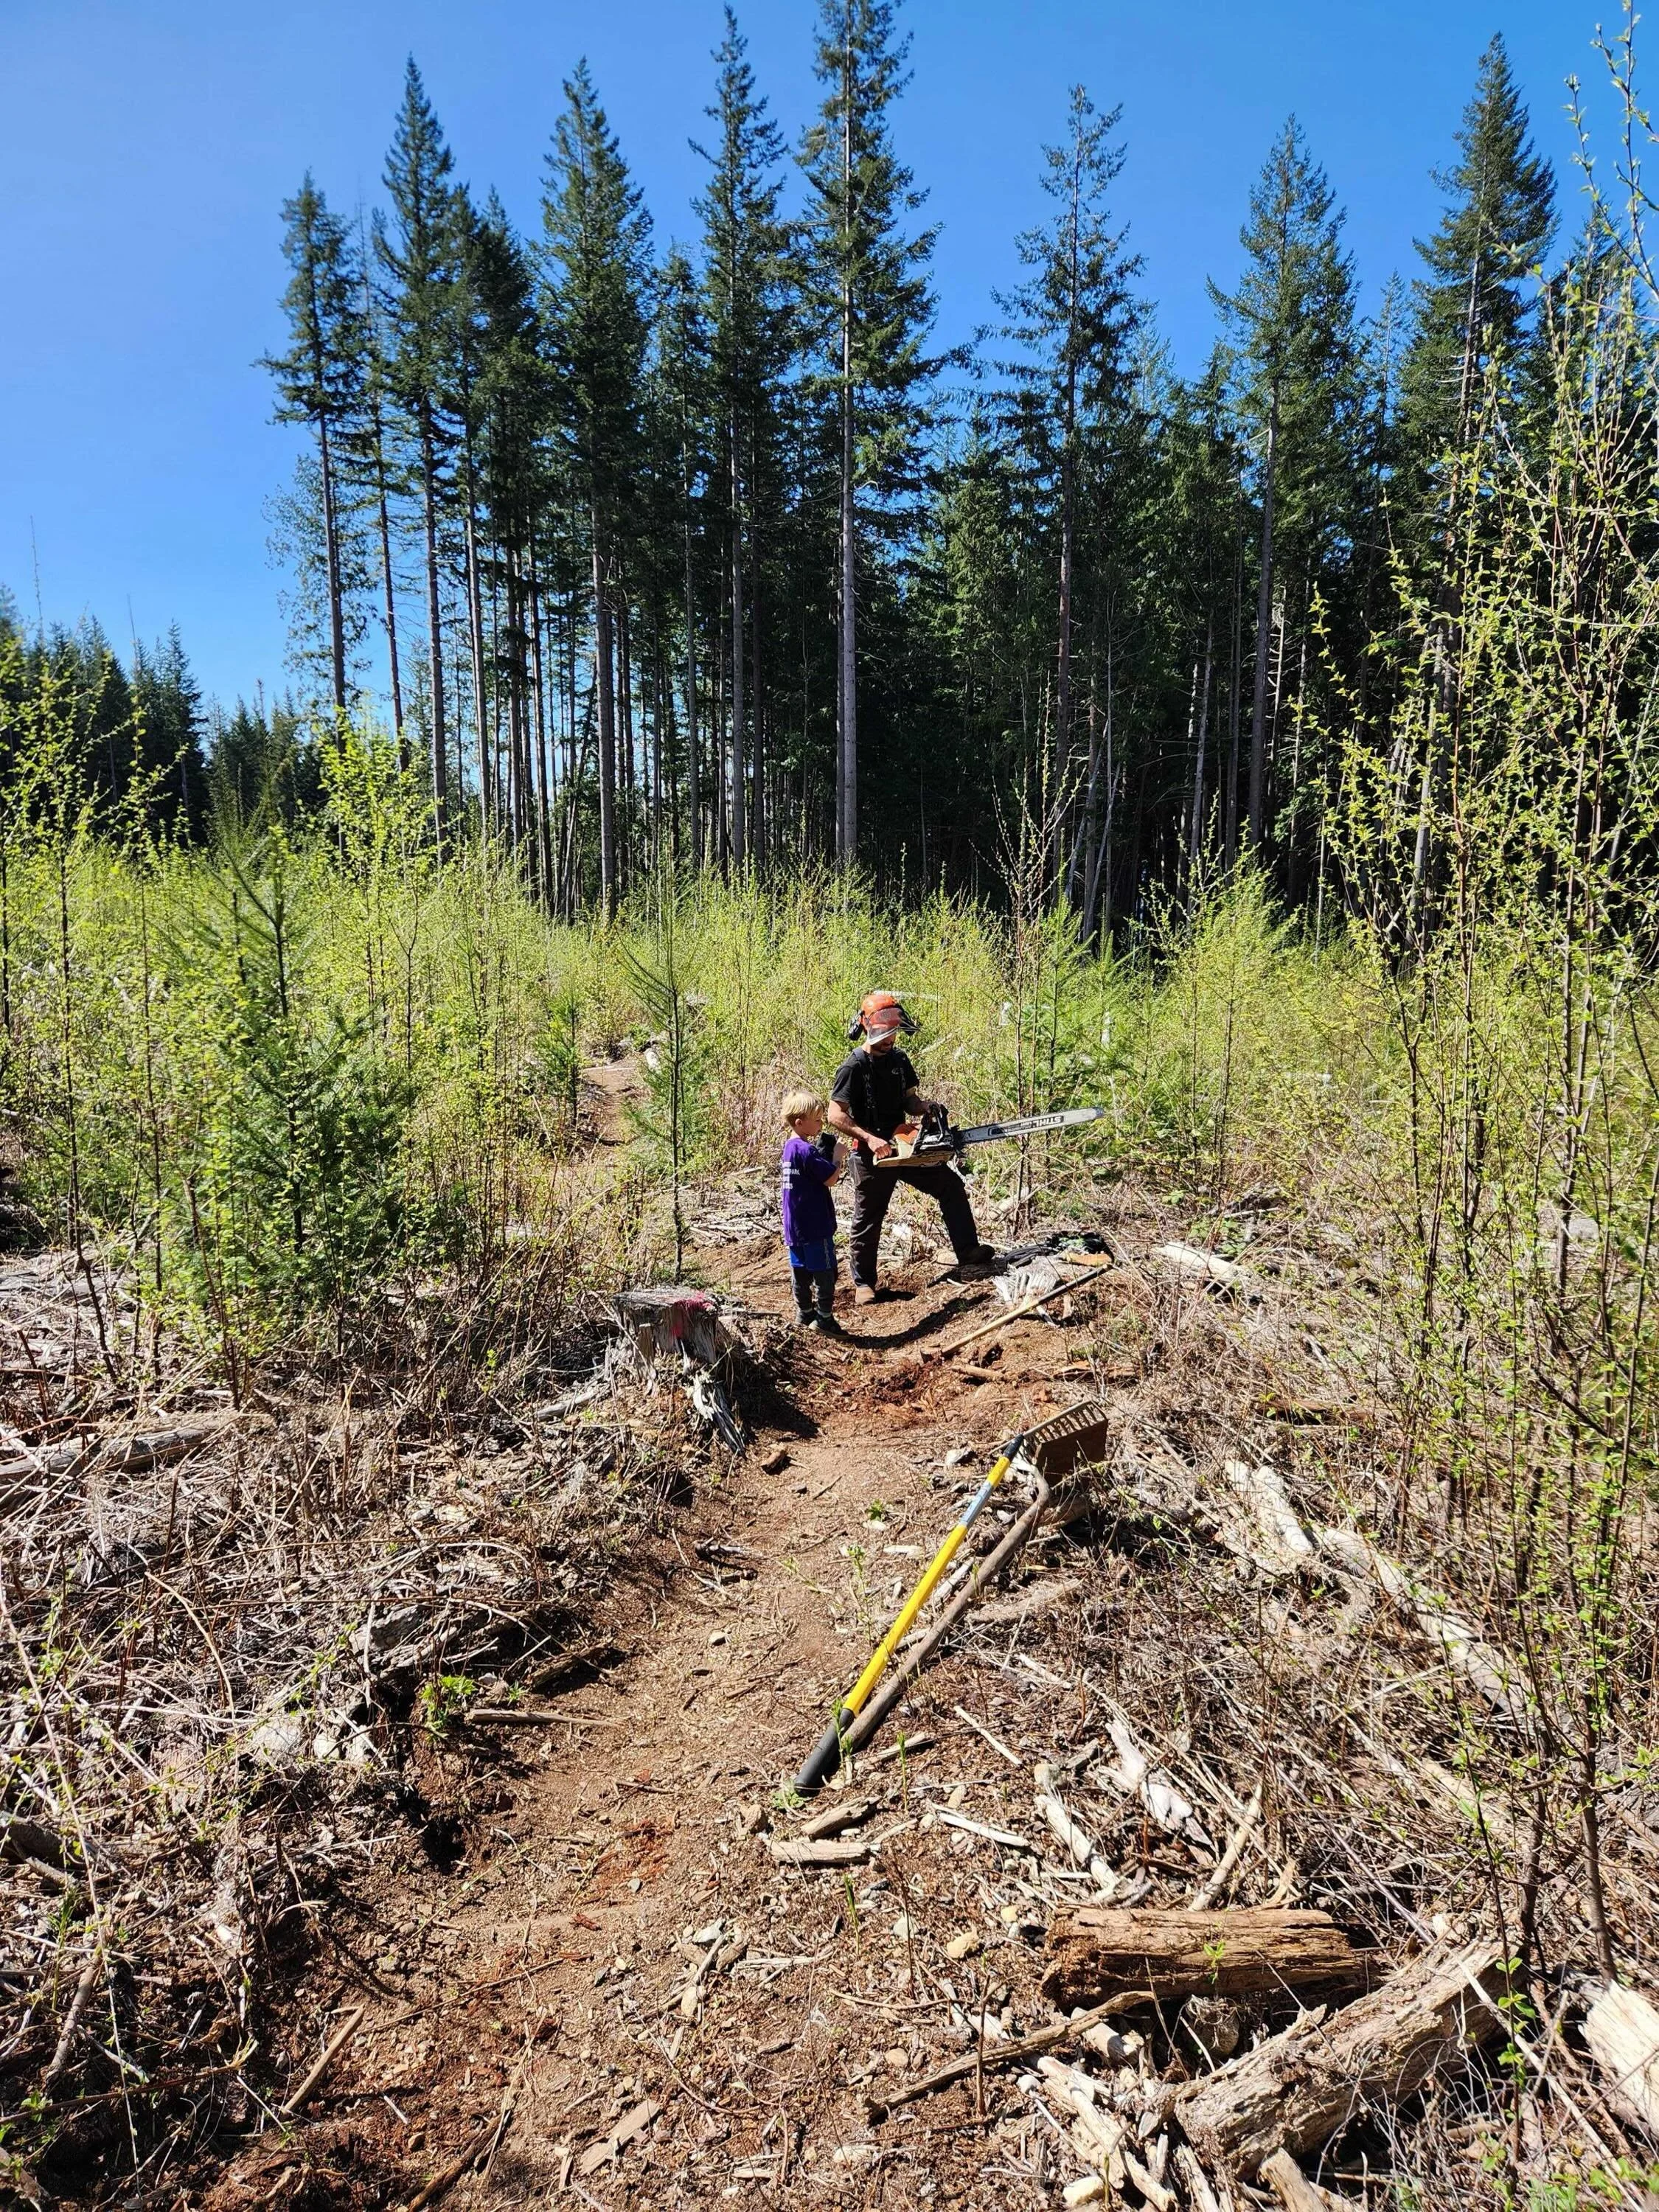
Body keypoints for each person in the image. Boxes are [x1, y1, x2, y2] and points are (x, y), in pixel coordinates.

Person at [827, 992, 995, 1305]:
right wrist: (869, 1138)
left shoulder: (900, 1061)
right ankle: (864, 1283)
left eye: (893, 1034)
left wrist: (924, 1107)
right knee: (869, 1215)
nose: (890, 1040)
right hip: (870, 1152)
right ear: (868, 1028)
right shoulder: (853, 1067)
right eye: (884, 1035)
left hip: (904, 1144)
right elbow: (834, 1114)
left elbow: (909, 1100)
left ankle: (967, 1249)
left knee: (950, 1185)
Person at [779, 1089, 846, 1331]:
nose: (821, 1124)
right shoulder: (806, 1151)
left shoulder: (790, 1148)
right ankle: (825, 1318)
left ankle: (804, 1313)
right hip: (815, 1225)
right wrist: (838, 1157)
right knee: (825, 1270)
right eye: (817, 1120)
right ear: (800, 1122)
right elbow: (830, 1178)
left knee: (800, 1271)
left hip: (794, 1226)